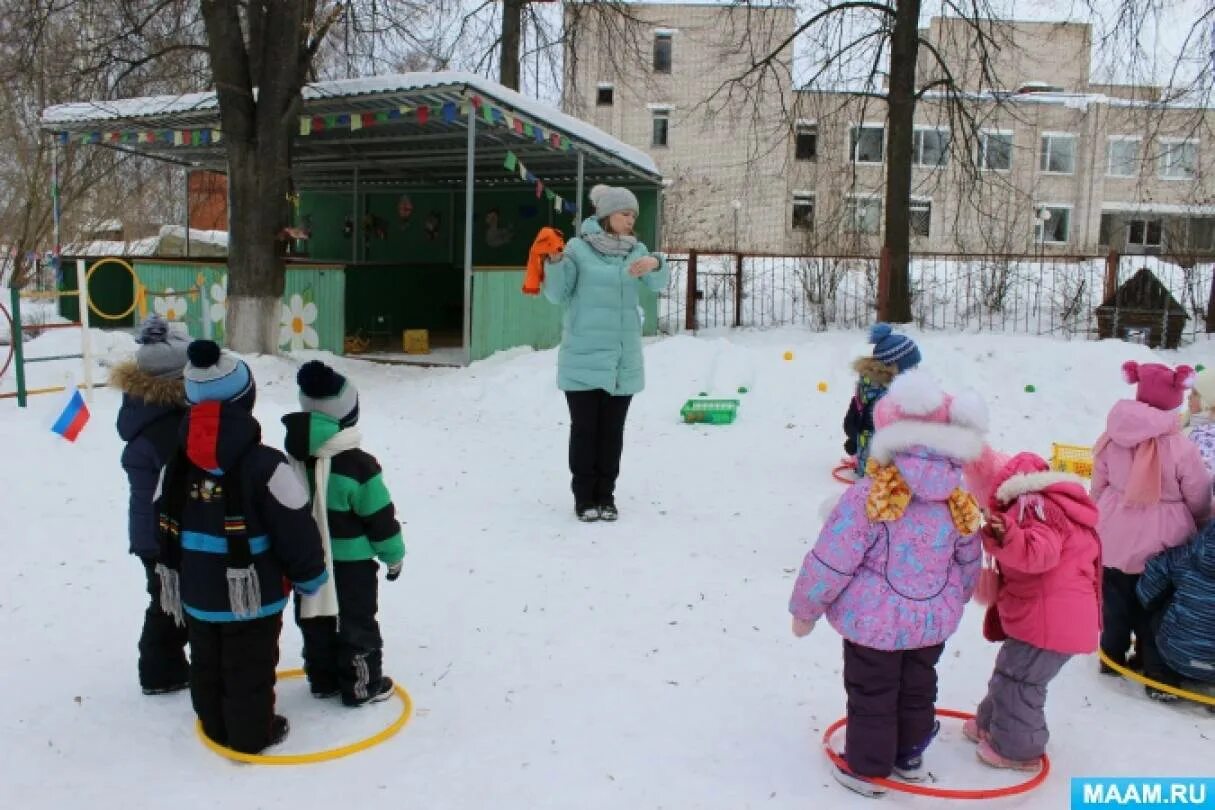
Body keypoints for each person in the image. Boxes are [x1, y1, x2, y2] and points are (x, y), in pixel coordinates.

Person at [788, 368, 986, 797]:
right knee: (918, 687)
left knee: (873, 692)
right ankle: (909, 756)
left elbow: (831, 560)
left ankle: (867, 768)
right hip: (931, 622)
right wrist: (955, 599)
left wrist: (806, 609)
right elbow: (970, 561)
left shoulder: (869, 495)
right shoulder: (960, 501)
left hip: (872, 625)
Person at [154, 340, 328, 753]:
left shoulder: (175, 465)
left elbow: (159, 512)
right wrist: (310, 576)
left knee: (207, 658)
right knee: (249, 663)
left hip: (196, 589)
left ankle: (214, 722)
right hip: (254, 594)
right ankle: (251, 734)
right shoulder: (267, 466)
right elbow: (295, 526)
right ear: (246, 400)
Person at [964, 451, 1101, 770]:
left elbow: (1041, 553)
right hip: (1050, 618)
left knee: (1020, 681)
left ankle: (1016, 749)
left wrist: (1007, 536)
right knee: (1011, 670)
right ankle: (991, 723)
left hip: (1050, 621)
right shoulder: (1052, 505)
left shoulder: (1034, 506)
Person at [542, 184, 669, 522]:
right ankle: (584, 498)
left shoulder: (636, 250)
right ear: (607, 215)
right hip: (583, 357)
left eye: (633, 215)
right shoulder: (577, 249)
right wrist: (554, 262)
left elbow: (658, 284)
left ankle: (606, 497)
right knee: (585, 431)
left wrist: (655, 262)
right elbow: (556, 294)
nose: (631, 220)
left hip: (621, 362)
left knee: (612, 433)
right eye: (625, 213)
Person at [282, 360, 404, 707]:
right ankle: (362, 686)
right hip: (351, 565)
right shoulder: (358, 465)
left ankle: (322, 679)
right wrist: (393, 555)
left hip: (306, 559)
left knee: (315, 618)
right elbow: (380, 517)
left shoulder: (293, 456)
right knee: (356, 621)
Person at [1092, 361, 1211, 700]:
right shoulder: (1180, 445)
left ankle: (1111, 657)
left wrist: (1098, 516)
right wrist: (1200, 524)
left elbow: (1098, 482)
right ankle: (1152, 665)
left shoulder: (1113, 434)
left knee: (1114, 599)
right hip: (1163, 540)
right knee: (1156, 604)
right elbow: (1198, 492)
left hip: (1113, 532)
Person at [111, 314, 191, 695]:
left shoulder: (143, 411)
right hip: (160, 533)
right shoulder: (167, 427)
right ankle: (160, 671)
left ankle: (166, 667)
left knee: (166, 597)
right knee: (167, 601)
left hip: (151, 530)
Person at [1137, 519, 1215, 695]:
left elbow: (1147, 592)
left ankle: (1160, 676)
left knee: (1155, 614)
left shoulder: (1184, 557)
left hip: (1176, 653)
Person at [842, 323, 921, 476]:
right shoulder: (885, 396)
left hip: (867, 455)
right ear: (897, 367)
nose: (916, 371)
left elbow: (851, 423)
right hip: (878, 466)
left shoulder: (870, 384)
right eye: (913, 366)